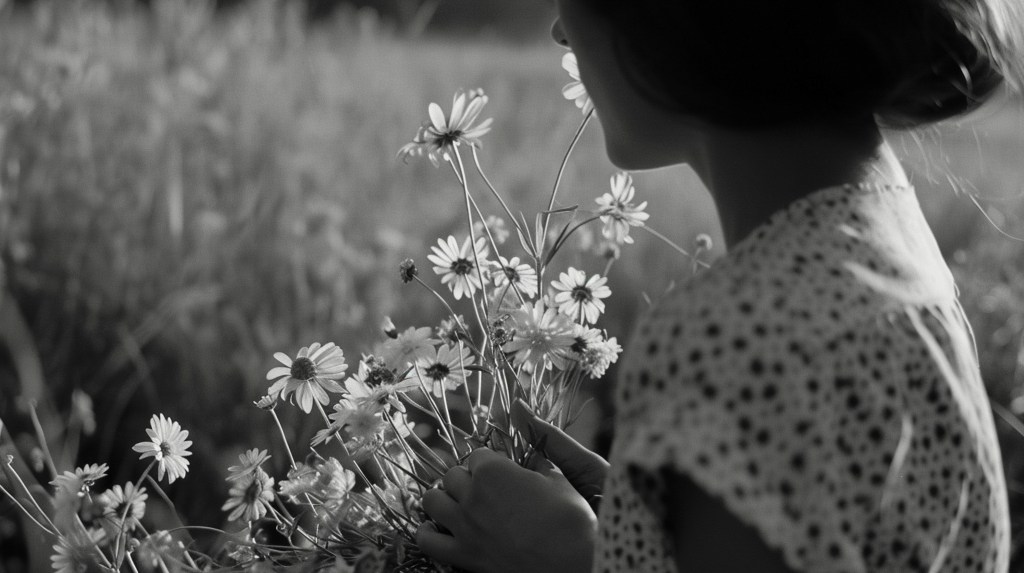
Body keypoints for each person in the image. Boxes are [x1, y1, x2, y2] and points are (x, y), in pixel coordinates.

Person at [415, 1, 1024, 571]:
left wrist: (572, 560)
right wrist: (641, 532)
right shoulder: (897, 251)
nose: (561, 32)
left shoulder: (733, 333)